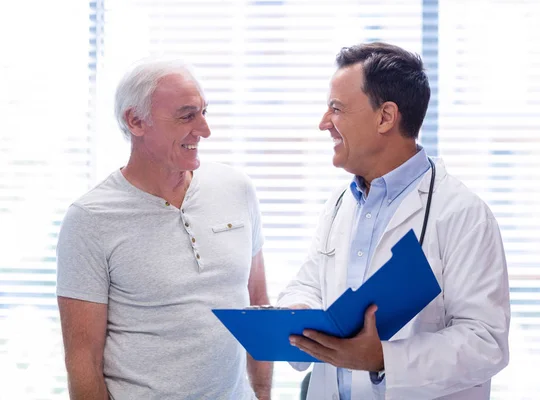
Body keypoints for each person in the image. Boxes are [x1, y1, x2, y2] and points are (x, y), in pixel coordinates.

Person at [277, 42, 510, 400]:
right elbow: (310, 281)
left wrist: (383, 359)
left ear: (386, 117)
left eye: (336, 109)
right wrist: (300, 309)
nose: (324, 123)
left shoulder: (463, 215)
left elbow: (485, 341)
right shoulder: (340, 204)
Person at [56, 59, 272, 400]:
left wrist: (262, 394)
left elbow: (258, 306)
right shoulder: (90, 219)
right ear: (136, 121)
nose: (204, 129)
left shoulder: (237, 189)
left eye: (204, 112)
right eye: (187, 116)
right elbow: (82, 360)